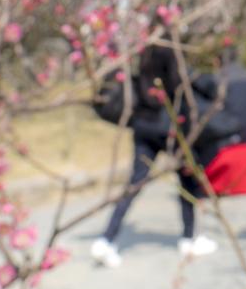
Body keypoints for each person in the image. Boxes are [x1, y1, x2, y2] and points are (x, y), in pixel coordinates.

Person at [90, 43, 216, 268]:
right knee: (187, 179)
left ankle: (106, 238)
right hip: (169, 127)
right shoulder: (170, 55)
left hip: (143, 126)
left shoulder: (143, 55)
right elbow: (184, 88)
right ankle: (189, 237)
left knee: (134, 183)